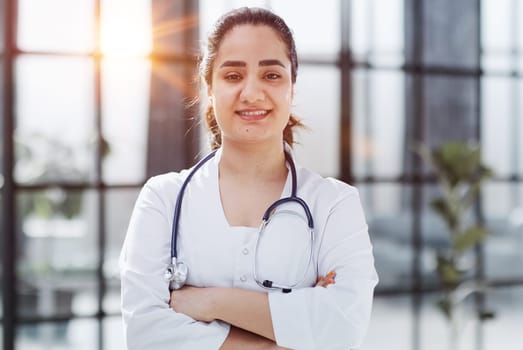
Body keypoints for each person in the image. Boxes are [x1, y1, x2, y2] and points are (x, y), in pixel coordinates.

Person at [120, 6, 378, 350]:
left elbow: (344, 328)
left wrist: (210, 302)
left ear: (292, 88)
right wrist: (289, 337)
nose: (252, 93)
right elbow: (145, 334)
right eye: (232, 76)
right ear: (208, 89)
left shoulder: (334, 204)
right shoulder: (163, 198)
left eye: (271, 75)